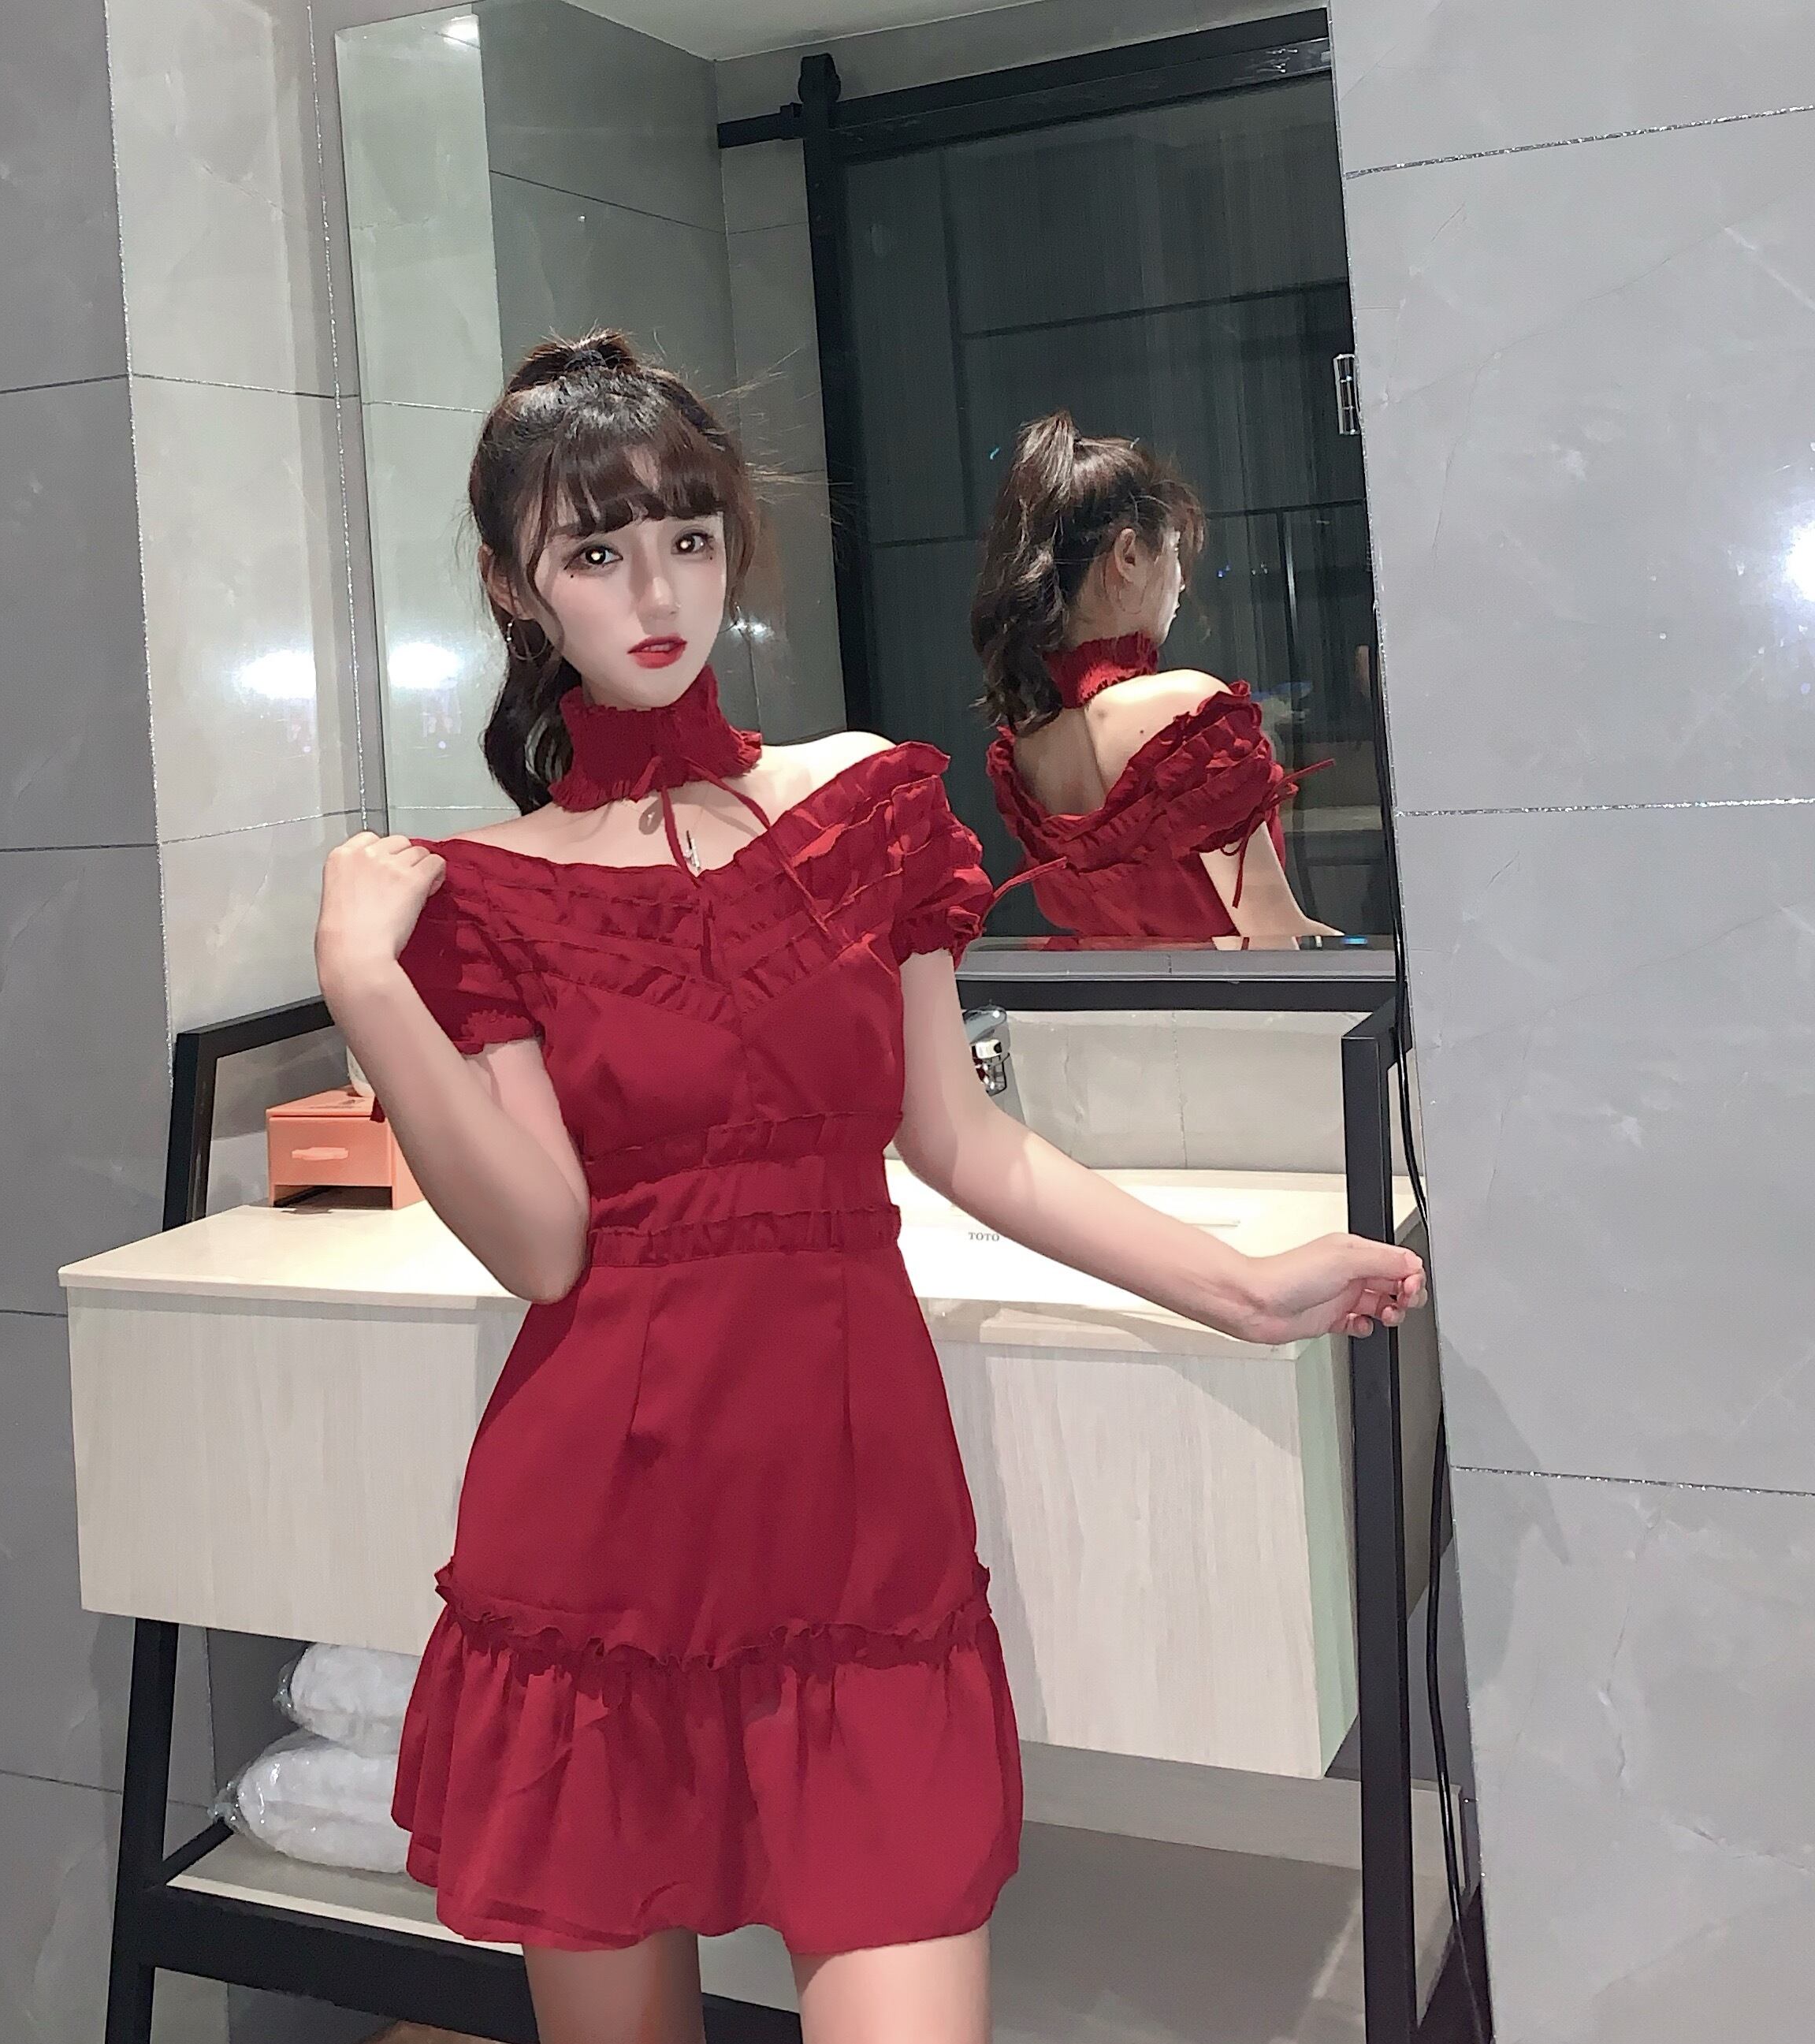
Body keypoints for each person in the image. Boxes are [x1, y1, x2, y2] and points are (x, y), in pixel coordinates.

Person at [313, 332, 1423, 2044]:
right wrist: (367, 986)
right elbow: (541, 1243)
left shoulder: (863, 804)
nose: (655, 591)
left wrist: (1240, 1284)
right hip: (597, 1540)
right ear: (515, 588)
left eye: (687, 535)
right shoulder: (482, 895)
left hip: (855, 1520)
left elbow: (962, 1141)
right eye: (596, 551)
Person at [972, 410, 1333, 947]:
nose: (1182, 582)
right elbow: (1272, 942)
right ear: (1129, 556)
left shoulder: (1028, 746)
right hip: (1225, 1001)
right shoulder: (1187, 710)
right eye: (1174, 551)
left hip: (1107, 1003)